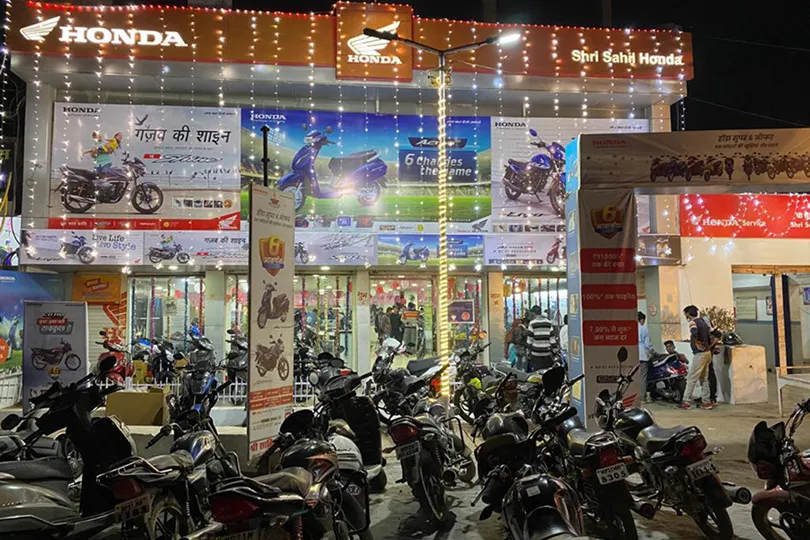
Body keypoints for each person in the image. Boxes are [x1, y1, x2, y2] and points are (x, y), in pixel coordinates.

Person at [681, 305, 718, 410]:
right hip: (707, 353)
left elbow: (694, 332)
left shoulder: (693, 323)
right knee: (704, 379)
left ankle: (686, 401)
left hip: (700, 354)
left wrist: (696, 340)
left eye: (685, 313)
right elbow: (715, 334)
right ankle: (706, 402)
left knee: (691, 378)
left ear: (688, 314)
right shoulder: (703, 322)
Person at [638, 311, 655, 403]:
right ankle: (642, 397)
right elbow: (648, 345)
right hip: (643, 355)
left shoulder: (630, 328)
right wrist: (653, 352)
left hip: (632, 354)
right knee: (643, 377)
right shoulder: (644, 329)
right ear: (642, 320)